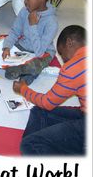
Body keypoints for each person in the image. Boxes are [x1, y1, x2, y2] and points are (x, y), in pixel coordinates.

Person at [13, 25, 86, 155]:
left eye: (62, 55)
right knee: (38, 112)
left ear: (69, 42)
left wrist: (23, 89)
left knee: (29, 145)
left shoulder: (73, 68)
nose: (64, 61)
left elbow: (47, 102)